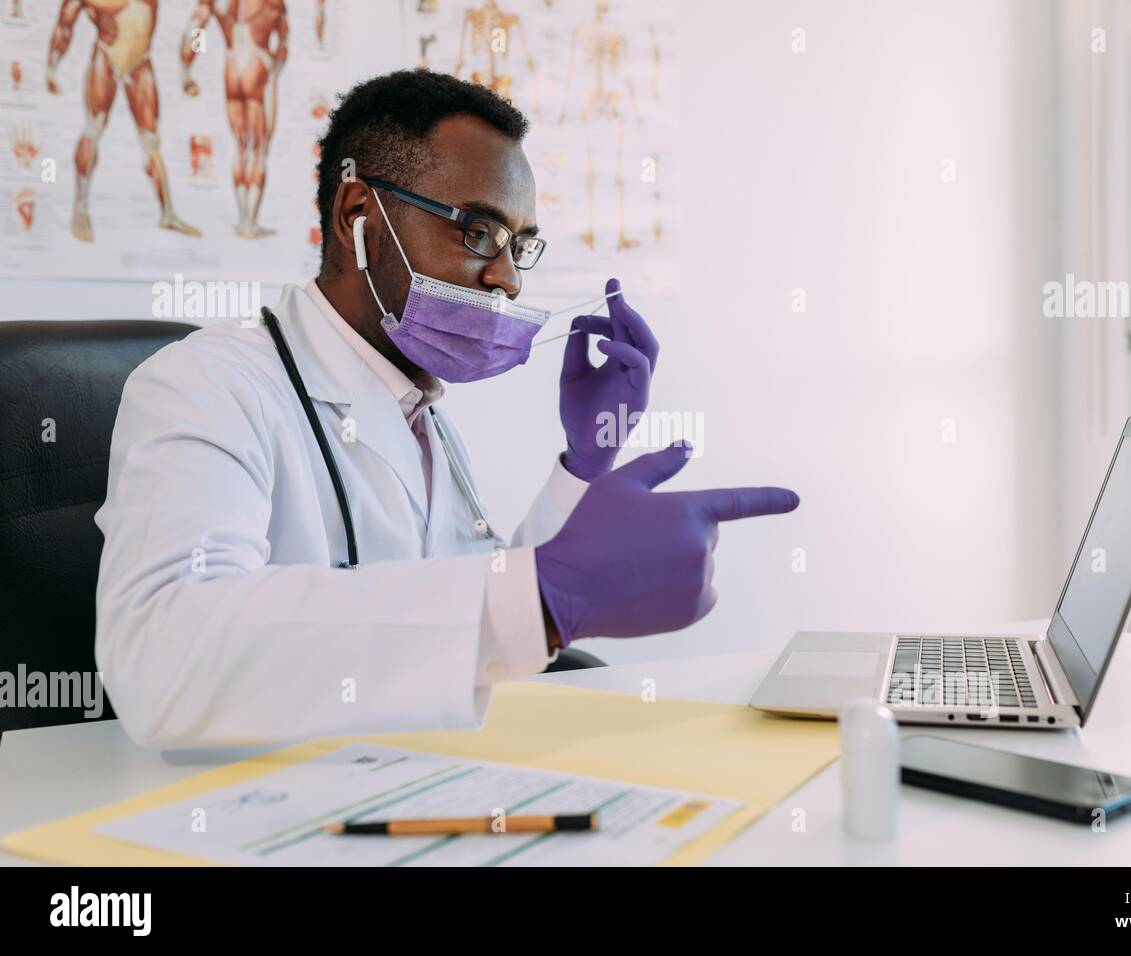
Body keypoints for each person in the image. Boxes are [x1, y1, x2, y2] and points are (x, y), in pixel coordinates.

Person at [95, 70, 798, 749]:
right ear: (357, 216)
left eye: (520, 245)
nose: (510, 279)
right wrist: (543, 597)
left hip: (416, 786)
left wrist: (584, 463)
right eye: (479, 232)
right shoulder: (206, 387)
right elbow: (163, 658)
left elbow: (476, 628)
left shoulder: (421, 414)